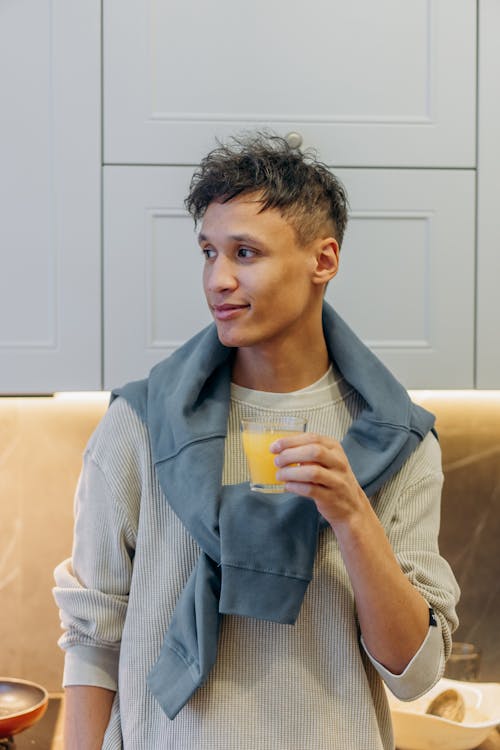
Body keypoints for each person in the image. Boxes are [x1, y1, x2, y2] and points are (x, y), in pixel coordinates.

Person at [53, 133, 460, 750]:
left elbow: (415, 674)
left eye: (245, 252)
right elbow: (92, 639)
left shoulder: (395, 442)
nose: (218, 279)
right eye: (208, 251)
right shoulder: (138, 424)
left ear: (323, 261)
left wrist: (352, 514)